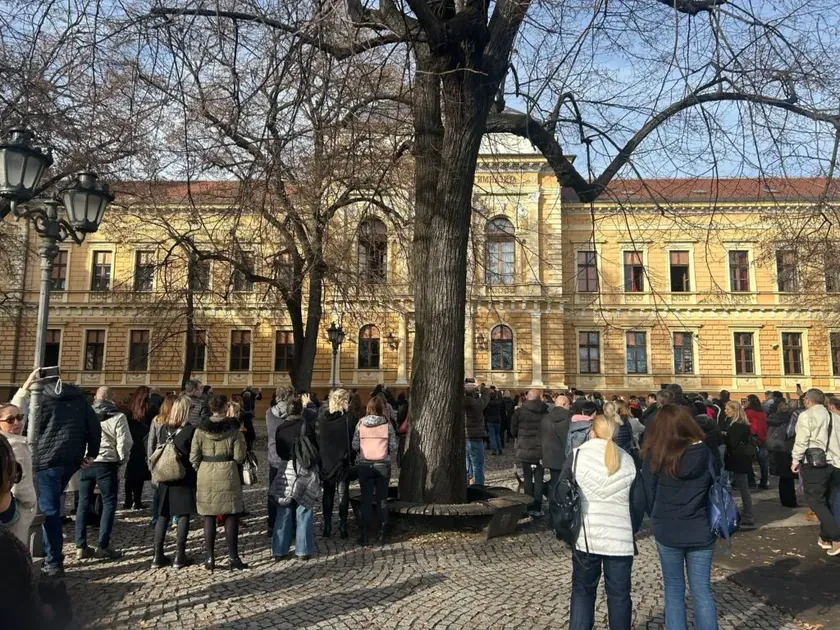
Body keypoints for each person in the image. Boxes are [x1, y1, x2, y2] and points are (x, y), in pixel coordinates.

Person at [641, 404, 719, 630]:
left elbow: (649, 492)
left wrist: (656, 516)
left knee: (674, 591)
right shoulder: (705, 452)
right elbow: (716, 483)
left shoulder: (655, 454)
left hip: (668, 527)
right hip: (701, 526)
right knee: (702, 590)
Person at [566, 415, 642, 630]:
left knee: (582, 591)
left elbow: (561, 494)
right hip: (619, 539)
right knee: (619, 595)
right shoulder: (628, 460)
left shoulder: (577, 456)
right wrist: (629, 528)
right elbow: (639, 503)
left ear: (592, 432)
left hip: (586, 536)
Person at [190, 394, 248, 570]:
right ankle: (233, 557)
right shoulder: (234, 429)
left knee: (208, 515)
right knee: (231, 514)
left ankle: (209, 558)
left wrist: (200, 468)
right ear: (225, 408)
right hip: (228, 471)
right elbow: (239, 456)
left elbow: (193, 456)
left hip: (206, 471)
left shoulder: (200, 430)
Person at [76, 386, 133, 561]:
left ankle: (80, 545)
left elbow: (78, 436)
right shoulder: (118, 416)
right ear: (111, 399)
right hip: (107, 463)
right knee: (108, 503)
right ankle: (103, 545)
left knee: (83, 504)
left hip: (87, 462)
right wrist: (121, 460)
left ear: (96, 398)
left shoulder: (85, 414)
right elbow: (124, 441)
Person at [791, 388, 840, 556]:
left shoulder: (806, 415)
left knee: (816, 501)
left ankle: (836, 538)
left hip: (815, 464)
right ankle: (825, 537)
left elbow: (802, 439)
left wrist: (795, 459)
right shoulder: (834, 416)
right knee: (827, 500)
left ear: (807, 401)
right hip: (834, 464)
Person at [151, 396, 197, 568]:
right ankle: (180, 555)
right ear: (186, 411)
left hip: (165, 475)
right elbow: (193, 455)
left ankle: (157, 556)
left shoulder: (164, 428)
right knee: (183, 514)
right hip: (184, 476)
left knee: (163, 514)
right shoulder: (190, 430)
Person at [271, 397, 319, 559]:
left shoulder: (281, 428)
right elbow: (314, 449)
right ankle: (303, 550)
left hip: (286, 469)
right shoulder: (307, 426)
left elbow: (279, 451)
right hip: (304, 469)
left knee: (283, 508)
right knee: (304, 508)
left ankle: (279, 550)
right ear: (301, 410)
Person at [353, 396, 397, 545]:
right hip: (382, 464)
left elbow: (354, 445)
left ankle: (364, 534)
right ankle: (382, 533)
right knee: (382, 499)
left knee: (365, 500)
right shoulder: (387, 425)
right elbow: (393, 446)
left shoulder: (361, 424)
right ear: (382, 408)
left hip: (365, 464)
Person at [0, 374, 37, 547]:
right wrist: (30, 504)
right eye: (10, 420)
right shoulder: (15, 445)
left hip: (7, 503)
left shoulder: (5, 438)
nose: (17, 422)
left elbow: (12, 409)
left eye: (20, 417)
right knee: (16, 547)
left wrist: (25, 388)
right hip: (16, 506)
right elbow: (21, 482)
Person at [319, 389, 356, 539]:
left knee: (327, 494)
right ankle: (343, 526)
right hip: (342, 461)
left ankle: (327, 526)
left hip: (326, 461)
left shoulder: (322, 419)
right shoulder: (349, 418)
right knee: (343, 494)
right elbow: (353, 439)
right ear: (345, 401)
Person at [511, 389, 548, 516]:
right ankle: (537, 508)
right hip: (540, 450)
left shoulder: (519, 412)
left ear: (528, 397)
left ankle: (528, 506)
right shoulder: (545, 412)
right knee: (539, 479)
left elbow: (513, 429)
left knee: (527, 478)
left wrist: (519, 437)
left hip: (525, 449)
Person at [123, 385, 157, 510]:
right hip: (144, 442)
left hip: (132, 441)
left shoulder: (129, 408)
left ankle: (128, 500)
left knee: (130, 472)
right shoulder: (151, 408)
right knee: (140, 474)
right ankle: (137, 501)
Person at [147, 394, 177, 527]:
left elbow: (151, 441)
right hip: (174, 454)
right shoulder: (177, 420)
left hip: (159, 455)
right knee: (175, 487)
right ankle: (175, 517)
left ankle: (156, 516)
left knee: (158, 490)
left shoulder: (157, 419)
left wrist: (150, 459)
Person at [266, 386, 293, 535]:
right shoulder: (293, 413)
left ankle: (272, 524)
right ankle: (290, 525)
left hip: (274, 455)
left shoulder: (269, 412)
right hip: (289, 456)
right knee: (290, 491)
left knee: (273, 491)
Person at [723, 400, 755, 528]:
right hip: (742, 458)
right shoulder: (743, 424)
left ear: (734, 411)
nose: (725, 411)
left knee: (742, 486)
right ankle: (746, 513)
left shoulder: (736, 426)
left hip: (738, 458)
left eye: (728, 409)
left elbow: (733, 443)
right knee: (742, 486)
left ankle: (747, 515)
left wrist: (724, 436)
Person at [766, 401, 797, 508]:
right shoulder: (791, 419)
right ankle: (790, 501)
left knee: (782, 477)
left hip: (775, 448)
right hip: (787, 448)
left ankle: (784, 500)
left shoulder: (772, 418)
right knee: (788, 477)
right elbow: (791, 433)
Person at [542, 394, 571, 496]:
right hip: (565, 455)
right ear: (564, 404)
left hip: (550, 455)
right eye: (569, 404)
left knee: (554, 481)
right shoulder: (569, 417)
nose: (569, 406)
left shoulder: (546, 417)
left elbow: (541, 436)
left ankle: (553, 501)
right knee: (566, 481)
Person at [463, 382, 489, 485]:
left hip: (464, 437)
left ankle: (465, 486)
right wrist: (482, 387)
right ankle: (478, 487)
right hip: (476, 437)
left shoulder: (460, 403)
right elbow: (486, 398)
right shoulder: (478, 404)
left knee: (466, 466)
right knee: (477, 466)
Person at [745, 394, 769, 490]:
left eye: (746, 400)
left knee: (748, 461)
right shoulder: (763, 413)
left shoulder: (747, 412)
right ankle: (764, 481)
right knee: (763, 462)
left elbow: (746, 425)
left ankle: (751, 481)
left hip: (752, 438)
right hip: (762, 438)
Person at [483, 390, 506, 455]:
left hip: (490, 421)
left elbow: (484, 412)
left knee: (492, 436)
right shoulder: (498, 403)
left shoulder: (488, 404)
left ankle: (494, 450)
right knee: (497, 435)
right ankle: (500, 450)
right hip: (497, 421)